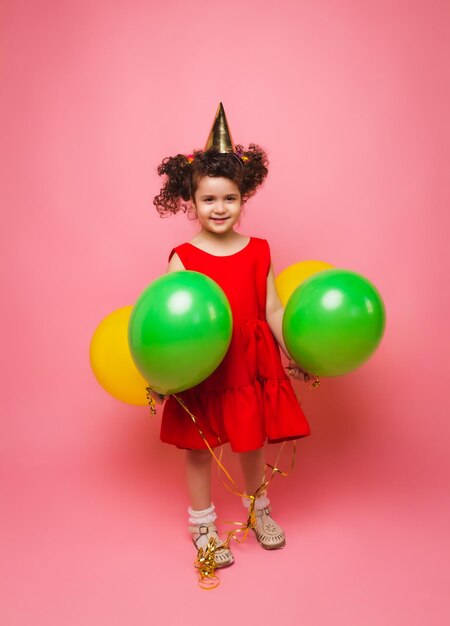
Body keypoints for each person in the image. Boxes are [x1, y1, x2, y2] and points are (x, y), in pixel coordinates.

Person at [149, 104, 311, 569]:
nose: (220, 208)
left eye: (230, 198)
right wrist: (163, 373)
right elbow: (167, 321)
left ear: (244, 198)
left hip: (247, 361)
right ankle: (202, 524)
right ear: (191, 202)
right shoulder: (182, 256)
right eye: (209, 200)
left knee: (250, 439)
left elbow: (274, 308)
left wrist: (294, 348)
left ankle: (258, 510)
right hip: (203, 366)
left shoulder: (259, 250)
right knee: (200, 450)